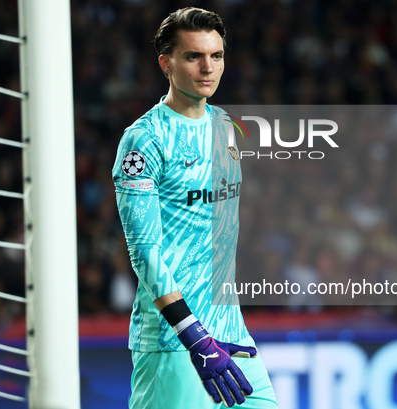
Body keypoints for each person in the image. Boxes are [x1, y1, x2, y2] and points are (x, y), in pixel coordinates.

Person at [112, 7, 278, 409]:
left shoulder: (227, 127)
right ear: (165, 64)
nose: (208, 67)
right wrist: (196, 338)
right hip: (176, 343)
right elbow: (144, 252)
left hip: (233, 336)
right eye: (193, 56)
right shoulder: (144, 141)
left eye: (216, 56)